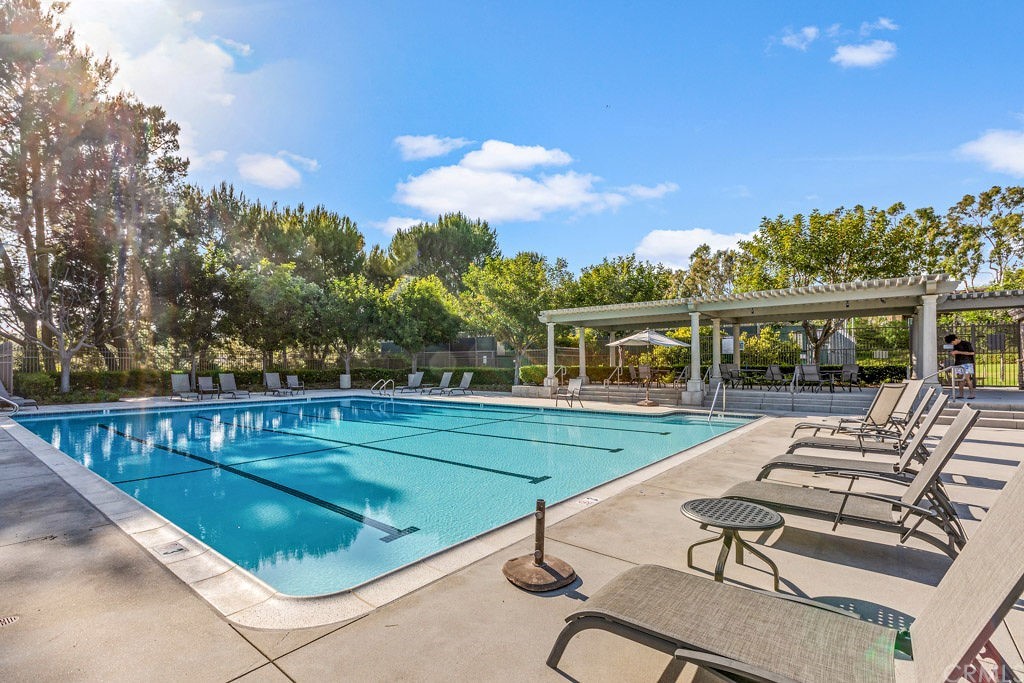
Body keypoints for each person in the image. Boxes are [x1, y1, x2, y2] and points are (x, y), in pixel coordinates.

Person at [944, 333, 976, 399]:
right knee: (960, 379)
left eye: (952, 342)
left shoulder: (966, 343)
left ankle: (972, 394)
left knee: (967, 379)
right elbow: (956, 354)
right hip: (958, 363)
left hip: (967, 363)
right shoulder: (955, 346)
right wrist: (953, 354)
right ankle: (961, 394)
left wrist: (958, 352)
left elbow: (972, 353)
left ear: (955, 339)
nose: (952, 344)